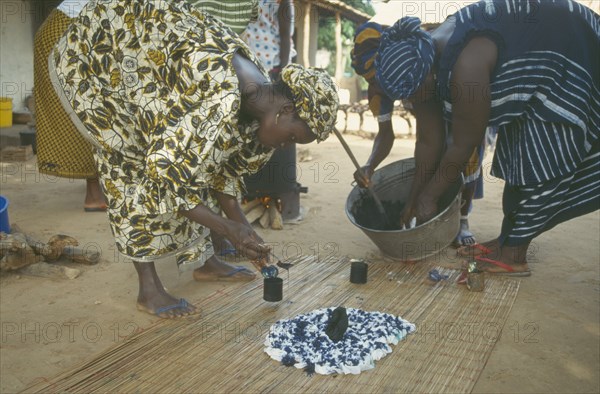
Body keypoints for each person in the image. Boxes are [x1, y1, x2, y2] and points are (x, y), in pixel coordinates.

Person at [48, 0, 338, 318]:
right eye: (293, 137)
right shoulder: (217, 96)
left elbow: (221, 168)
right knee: (132, 160)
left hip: (151, 69)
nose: (286, 147)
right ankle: (149, 290)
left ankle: (206, 262)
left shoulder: (261, 97)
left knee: (199, 160)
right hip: (98, 56)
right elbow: (165, 175)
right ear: (286, 110)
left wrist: (243, 231)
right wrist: (229, 230)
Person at [353, 0, 599, 275]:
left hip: (570, 48)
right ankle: (506, 241)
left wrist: (430, 197)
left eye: (412, 95)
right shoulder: (420, 64)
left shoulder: (467, 66)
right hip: (531, 56)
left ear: (429, 77)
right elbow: (428, 140)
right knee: (514, 159)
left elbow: (463, 142)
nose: (411, 101)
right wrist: (414, 196)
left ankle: (513, 255)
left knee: (539, 158)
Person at [350, 21, 484, 247]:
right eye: (371, 80)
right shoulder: (386, 89)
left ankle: (461, 218)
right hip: (432, 105)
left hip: (462, 107)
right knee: (437, 154)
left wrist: (424, 197)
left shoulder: (419, 67)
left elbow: (457, 141)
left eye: (377, 79)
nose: (377, 87)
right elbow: (428, 141)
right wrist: (371, 166)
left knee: (466, 156)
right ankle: (429, 209)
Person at [34, 0, 107, 212]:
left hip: (68, 30)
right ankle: (94, 194)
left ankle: (98, 188)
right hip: (64, 33)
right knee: (87, 112)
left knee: (93, 110)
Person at [241, 0, 296, 80]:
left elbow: (285, 36)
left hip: (271, 64)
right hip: (245, 60)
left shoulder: (282, 1)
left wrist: (283, 73)